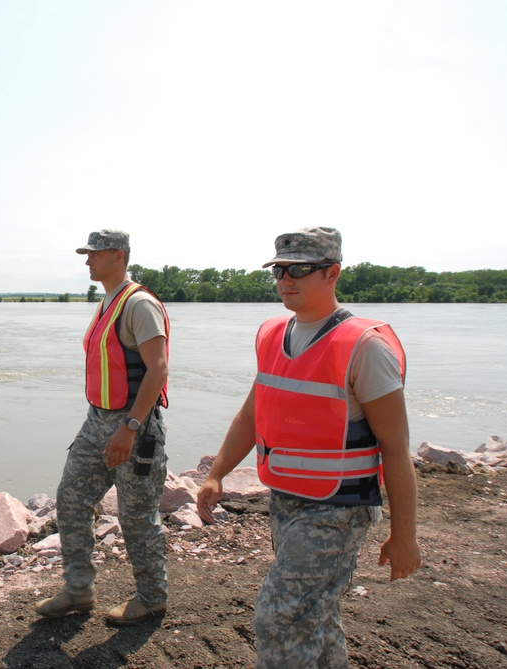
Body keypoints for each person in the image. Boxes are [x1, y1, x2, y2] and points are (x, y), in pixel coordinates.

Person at [196, 226, 421, 668]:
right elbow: (252, 414)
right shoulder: (273, 335)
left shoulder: (365, 347)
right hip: (286, 501)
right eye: (279, 269)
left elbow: (396, 448)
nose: (285, 279)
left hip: (339, 509)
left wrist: (405, 535)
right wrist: (216, 473)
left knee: (279, 617)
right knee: (315, 614)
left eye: (299, 269)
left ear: (332, 272)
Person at [34, 229, 171, 625]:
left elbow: (158, 369)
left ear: (117, 255)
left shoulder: (139, 304)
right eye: (87, 254)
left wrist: (129, 427)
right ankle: (78, 589)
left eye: (94, 254)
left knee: (136, 515)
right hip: (97, 420)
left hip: (135, 425)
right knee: (71, 499)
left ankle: (152, 598)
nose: (87, 261)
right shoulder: (107, 302)